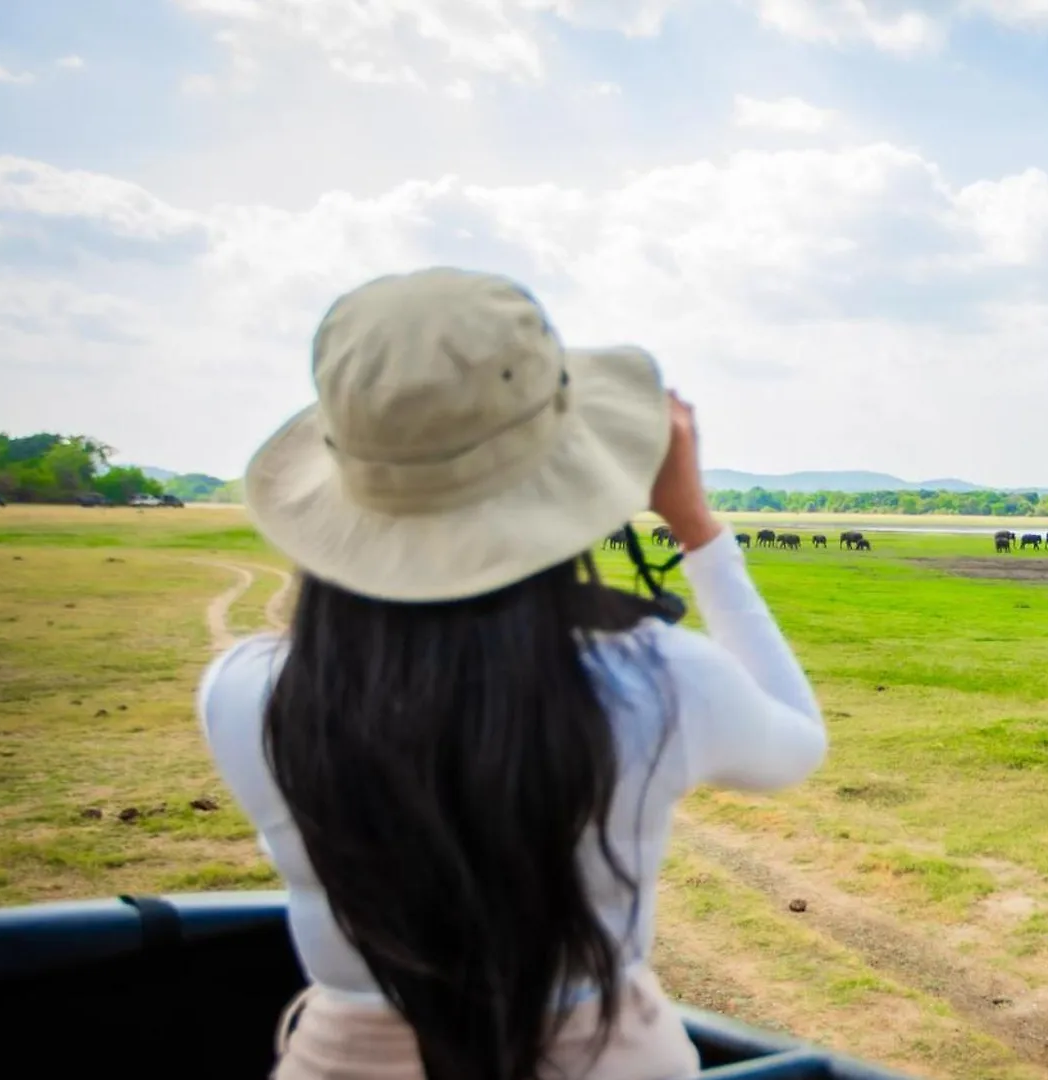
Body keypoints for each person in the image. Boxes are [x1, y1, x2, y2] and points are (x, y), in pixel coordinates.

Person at [197, 268, 827, 1080]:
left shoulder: (247, 691)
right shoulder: (659, 680)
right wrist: (696, 528)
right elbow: (797, 742)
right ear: (572, 471)